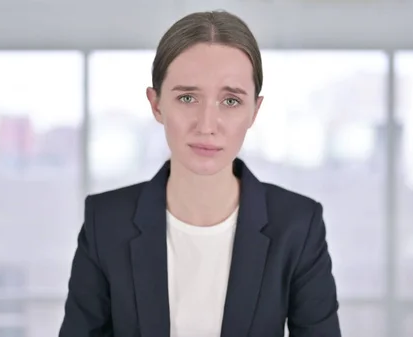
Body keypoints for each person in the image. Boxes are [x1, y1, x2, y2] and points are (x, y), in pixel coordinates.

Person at [59, 10, 341, 337]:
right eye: (188, 98)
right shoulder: (106, 221)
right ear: (157, 104)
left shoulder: (298, 225)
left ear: (255, 111)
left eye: (231, 101)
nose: (207, 126)